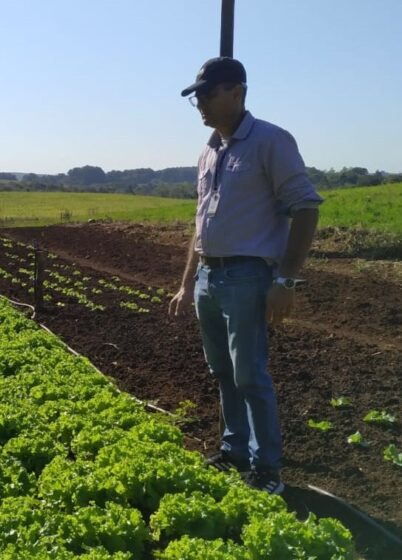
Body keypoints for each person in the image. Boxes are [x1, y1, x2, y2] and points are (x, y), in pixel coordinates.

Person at [168, 57, 322, 495]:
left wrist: (285, 281)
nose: (200, 103)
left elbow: (306, 208)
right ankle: (234, 449)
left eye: (206, 93)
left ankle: (266, 470)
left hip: (247, 276)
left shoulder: (271, 141)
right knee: (222, 370)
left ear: (236, 92)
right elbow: (199, 226)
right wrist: (185, 282)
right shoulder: (208, 151)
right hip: (208, 279)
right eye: (195, 96)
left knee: (250, 374)